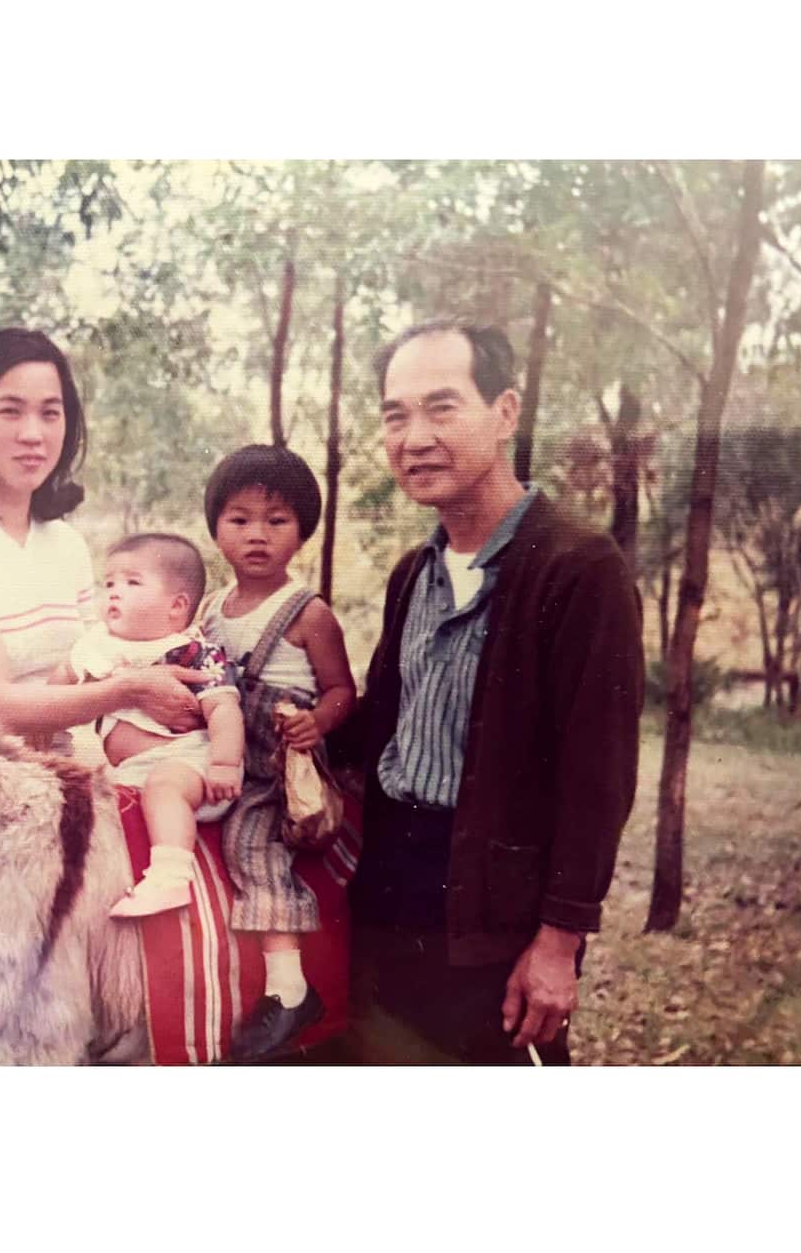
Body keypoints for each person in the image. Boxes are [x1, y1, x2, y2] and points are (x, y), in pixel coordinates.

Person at [0, 327, 212, 1065]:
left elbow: (76, 669)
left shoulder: (63, 542)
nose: (34, 434)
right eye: (10, 411)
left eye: (51, 412)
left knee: (52, 1023)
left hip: (44, 810)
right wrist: (132, 688)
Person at [333, 319, 644, 1065]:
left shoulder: (579, 567)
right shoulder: (415, 572)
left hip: (495, 913)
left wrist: (560, 940)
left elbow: (598, 776)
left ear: (505, 413)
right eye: (395, 415)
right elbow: (383, 726)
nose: (414, 437)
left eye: (442, 408)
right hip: (385, 895)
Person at [198, 445, 357, 1062]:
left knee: (250, 844)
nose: (256, 535)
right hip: (217, 754)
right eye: (239, 520)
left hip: (275, 772)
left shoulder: (308, 614)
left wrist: (318, 721)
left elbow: (343, 689)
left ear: (303, 532)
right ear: (215, 527)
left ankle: (290, 991)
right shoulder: (209, 609)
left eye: (276, 521)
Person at [52, 532, 245, 917]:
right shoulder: (97, 644)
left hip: (189, 764)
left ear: (176, 607)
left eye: (132, 582)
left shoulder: (192, 652)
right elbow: (57, 688)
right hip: (127, 771)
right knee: (93, 804)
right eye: (109, 583)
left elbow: (224, 709)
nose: (114, 593)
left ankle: (171, 879)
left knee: (164, 788)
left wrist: (224, 762)